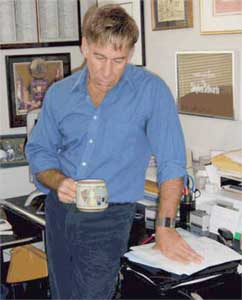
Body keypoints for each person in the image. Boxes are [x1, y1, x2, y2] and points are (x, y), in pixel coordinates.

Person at [25, 4, 203, 299]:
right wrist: (58, 181)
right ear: (84, 46)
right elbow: (39, 150)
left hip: (109, 219)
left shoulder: (150, 91)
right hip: (59, 213)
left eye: (118, 60)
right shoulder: (60, 93)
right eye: (99, 57)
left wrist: (166, 227)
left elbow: (172, 163)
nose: (107, 72)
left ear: (130, 55)